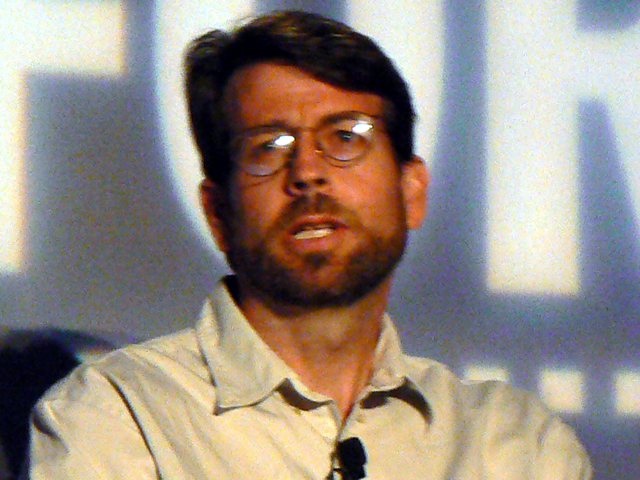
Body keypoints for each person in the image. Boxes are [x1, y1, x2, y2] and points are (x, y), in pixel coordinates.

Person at [22, 10, 591, 480]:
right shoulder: (121, 415)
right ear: (218, 213)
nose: (308, 172)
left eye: (346, 137)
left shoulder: (514, 445)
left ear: (411, 190)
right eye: (268, 147)